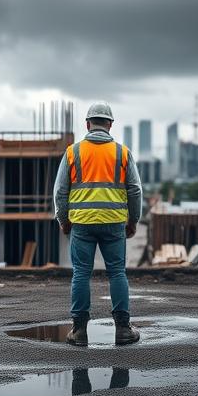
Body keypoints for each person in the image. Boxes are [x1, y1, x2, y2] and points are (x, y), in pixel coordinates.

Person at [53, 102, 142, 346]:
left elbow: (60, 191)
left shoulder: (73, 152)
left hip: (81, 223)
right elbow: (135, 191)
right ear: (111, 124)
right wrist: (133, 220)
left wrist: (63, 220)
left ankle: (79, 331)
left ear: (87, 124)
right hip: (114, 223)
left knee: (81, 273)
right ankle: (123, 330)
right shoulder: (122, 153)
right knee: (117, 273)